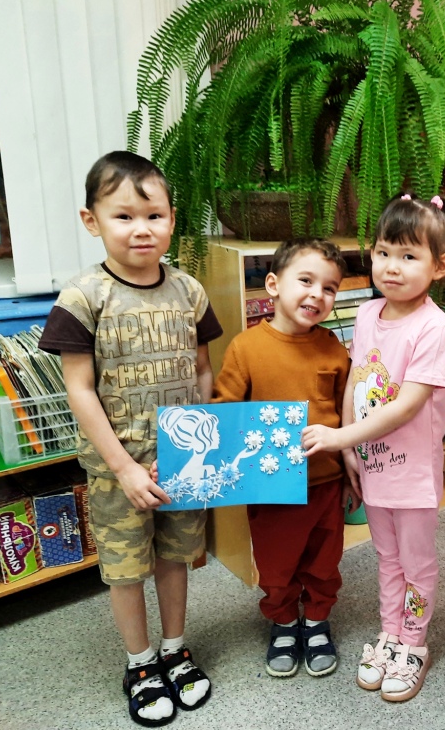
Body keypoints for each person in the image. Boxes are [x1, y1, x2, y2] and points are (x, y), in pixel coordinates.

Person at [38, 151, 222, 727]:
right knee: (124, 569)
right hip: (119, 470)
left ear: (172, 220)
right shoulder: (83, 297)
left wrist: (201, 444)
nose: (141, 229)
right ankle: (140, 664)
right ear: (91, 221)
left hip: (181, 463)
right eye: (123, 216)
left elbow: (202, 371)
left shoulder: (189, 291)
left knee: (176, 557)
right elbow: (80, 390)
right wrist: (123, 467)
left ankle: (174, 649)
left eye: (154, 216)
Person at [301, 193, 445, 703]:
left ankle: (414, 643)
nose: (392, 266)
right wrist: (350, 448)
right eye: (383, 252)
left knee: (416, 563)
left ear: (439, 266)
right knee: (386, 557)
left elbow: (407, 405)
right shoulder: (368, 314)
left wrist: (341, 437)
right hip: (372, 465)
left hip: (412, 474)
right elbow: (357, 380)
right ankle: (391, 633)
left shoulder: (433, 328)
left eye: (409, 256)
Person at [210, 238, 352, 680]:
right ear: (273, 284)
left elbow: (347, 414)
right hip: (271, 489)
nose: (317, 294)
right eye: (305, 280)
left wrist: (351, 473)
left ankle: (317, 620)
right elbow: (225, 412)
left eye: (329, 288)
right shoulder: (246, 347)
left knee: (324, 562)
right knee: (276, 565)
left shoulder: (333, 348)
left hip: (325, 483)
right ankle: (285, 621)